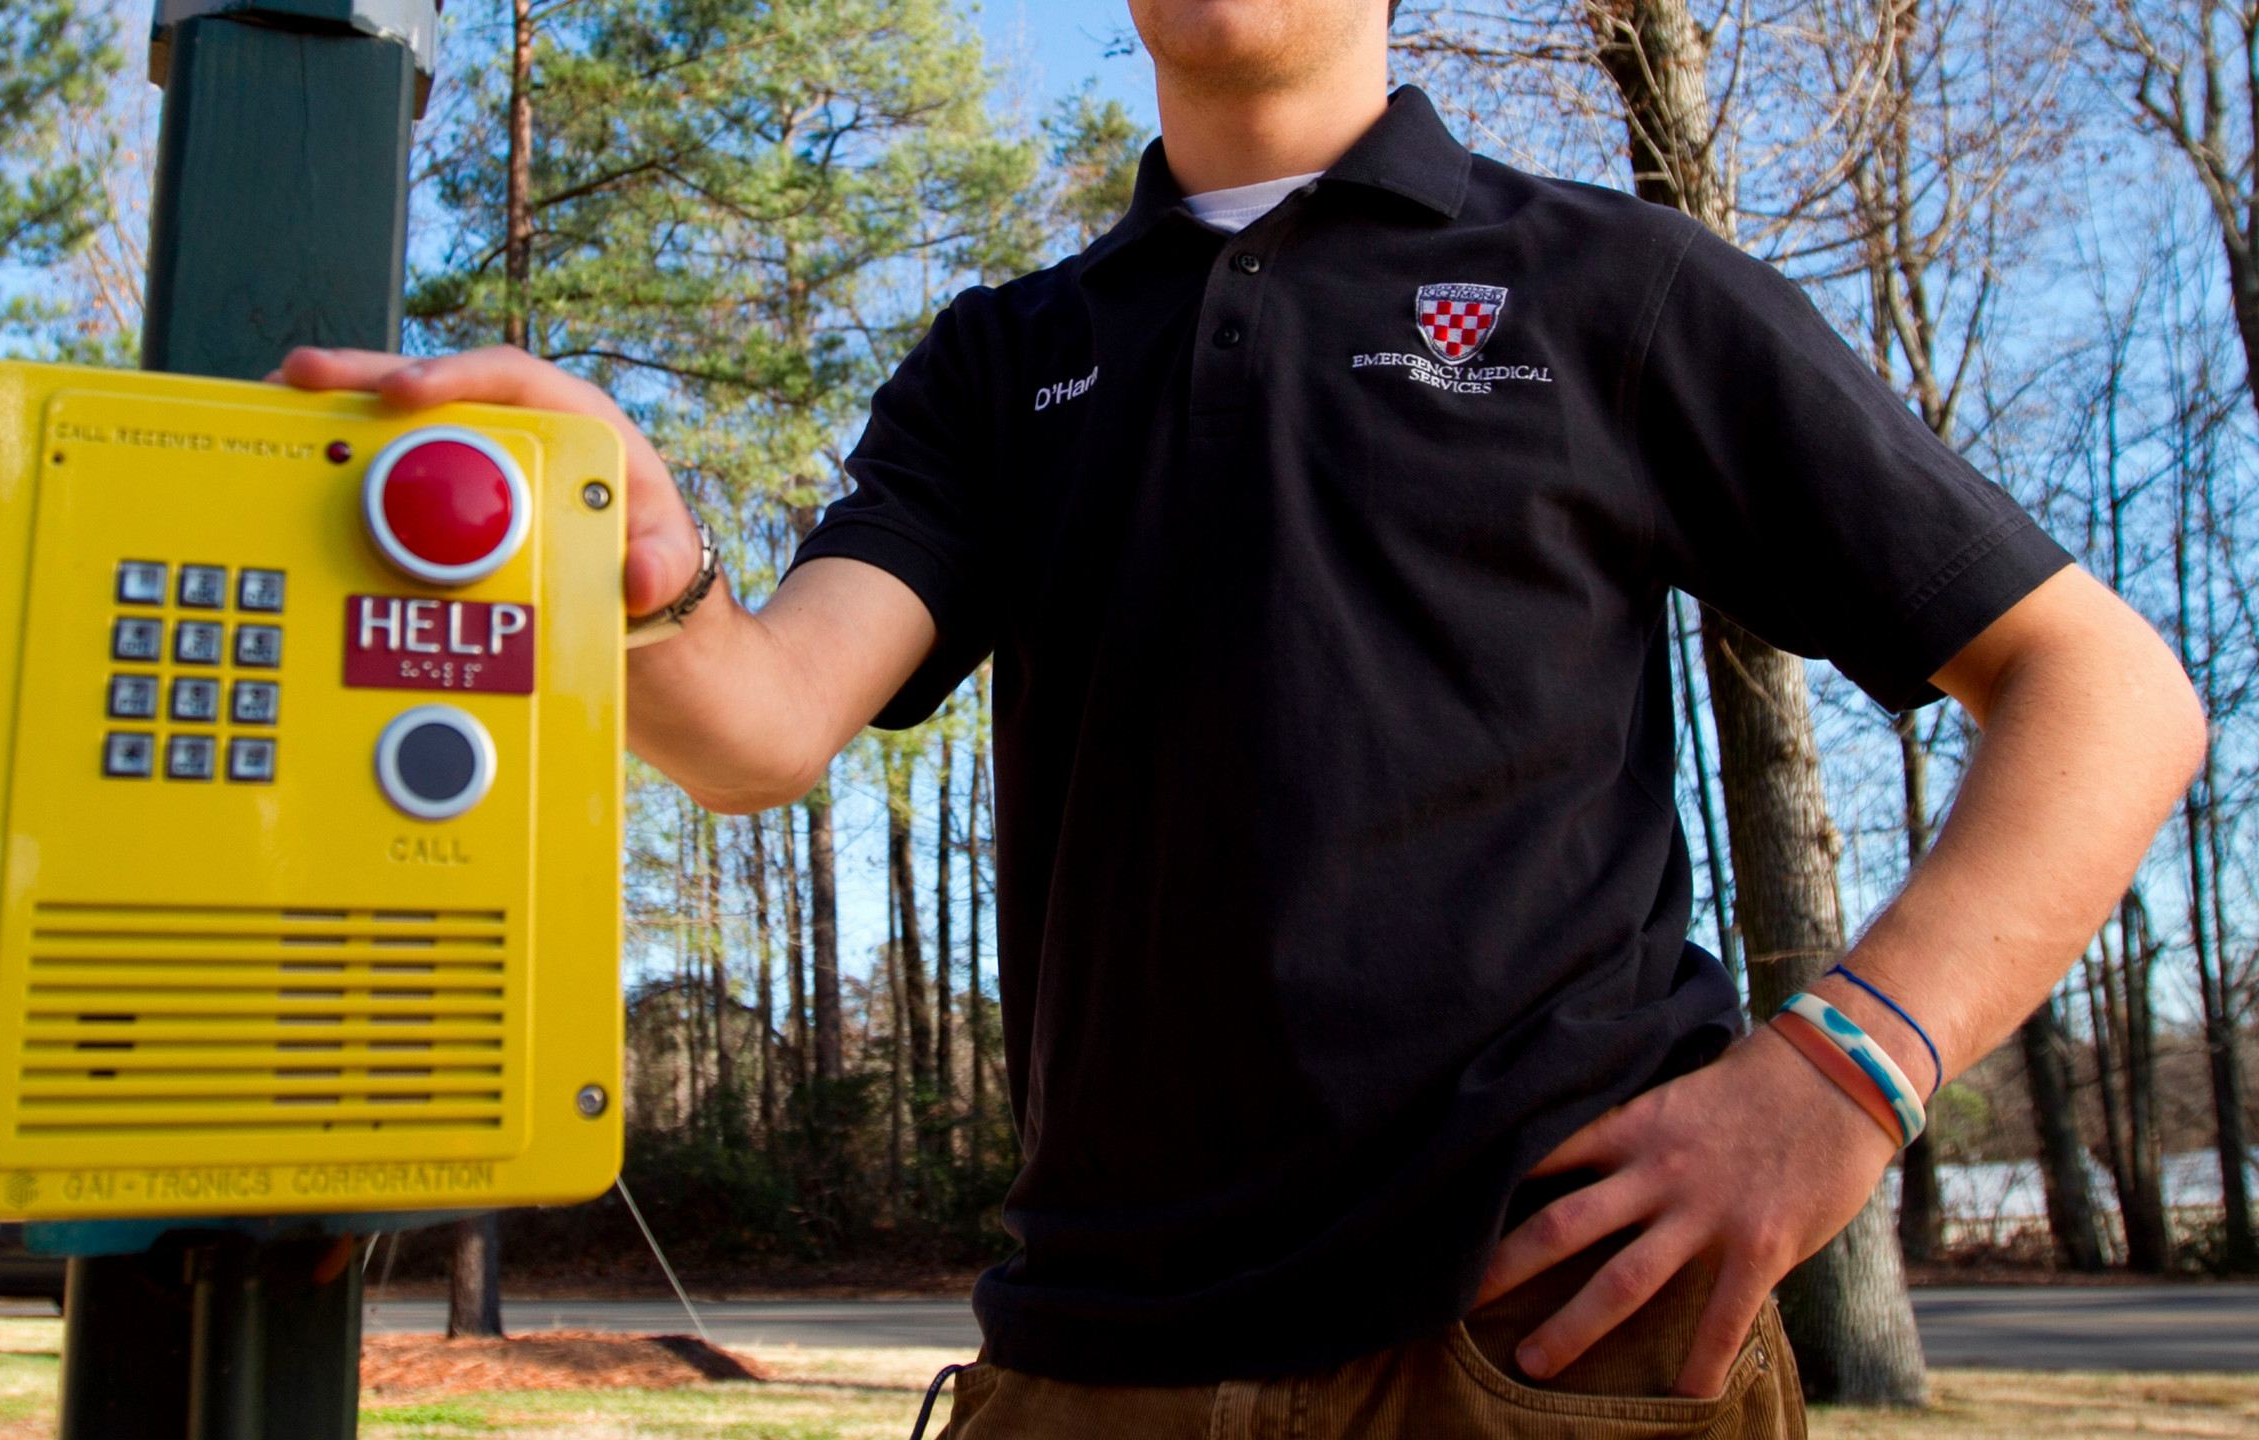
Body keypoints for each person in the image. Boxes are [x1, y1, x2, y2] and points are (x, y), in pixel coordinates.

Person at [274, 0, 2206, 1428]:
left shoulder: (1611, 286)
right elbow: (759, 724)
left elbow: (2105, 692)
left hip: (1540, 1342)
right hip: (1087, 1367)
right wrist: (645, 542)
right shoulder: (1005, 359)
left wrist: (1841, 1076)